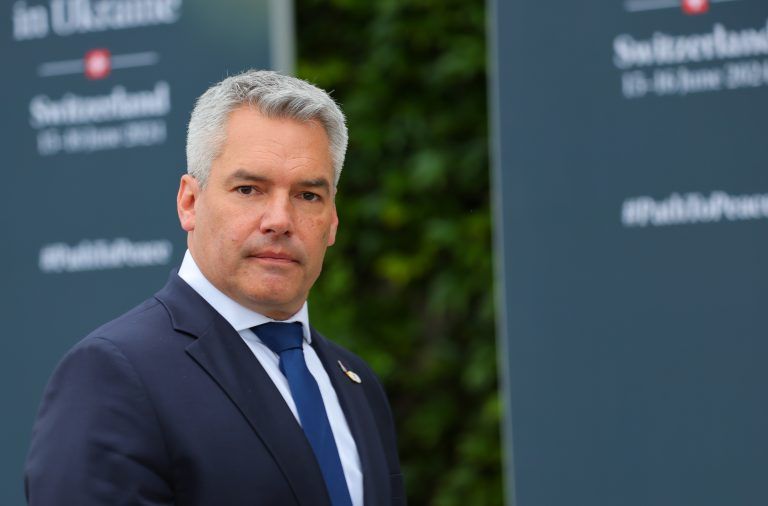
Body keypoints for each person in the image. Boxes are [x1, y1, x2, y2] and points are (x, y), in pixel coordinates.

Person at [25, 70, 405, 506]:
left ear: (333, 220)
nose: (280, 220)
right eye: (249, 189)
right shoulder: (115, 374)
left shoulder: (356, 384)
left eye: (307, 196)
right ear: (189, 202)